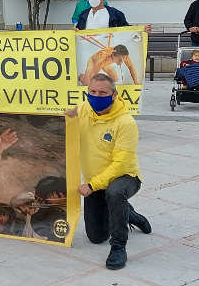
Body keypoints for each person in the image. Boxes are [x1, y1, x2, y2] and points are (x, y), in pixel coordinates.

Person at [64, 73, 152, 270]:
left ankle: (119, 247)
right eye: (92, 92)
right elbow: (71, 113)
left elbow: (120, 165)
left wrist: (92, 185)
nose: (96, 96)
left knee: (114, 192)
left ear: (114, 94)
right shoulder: (85, 108)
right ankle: (129, 213)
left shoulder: (126, 123)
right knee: (96, 237)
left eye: (102, 92)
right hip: (94, 181)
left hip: (125, 177)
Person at [76, 0, 151, 33]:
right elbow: (78, 31)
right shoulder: (84, 14)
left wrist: (141, 30)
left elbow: (125, 30)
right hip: (87, 52)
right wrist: (74, 32)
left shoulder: (115, 14)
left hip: (106, 52)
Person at [30, 176, 69, 242]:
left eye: (64, 194)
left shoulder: (61, 209)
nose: (64, 197)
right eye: (59, 195)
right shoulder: (52, 214)